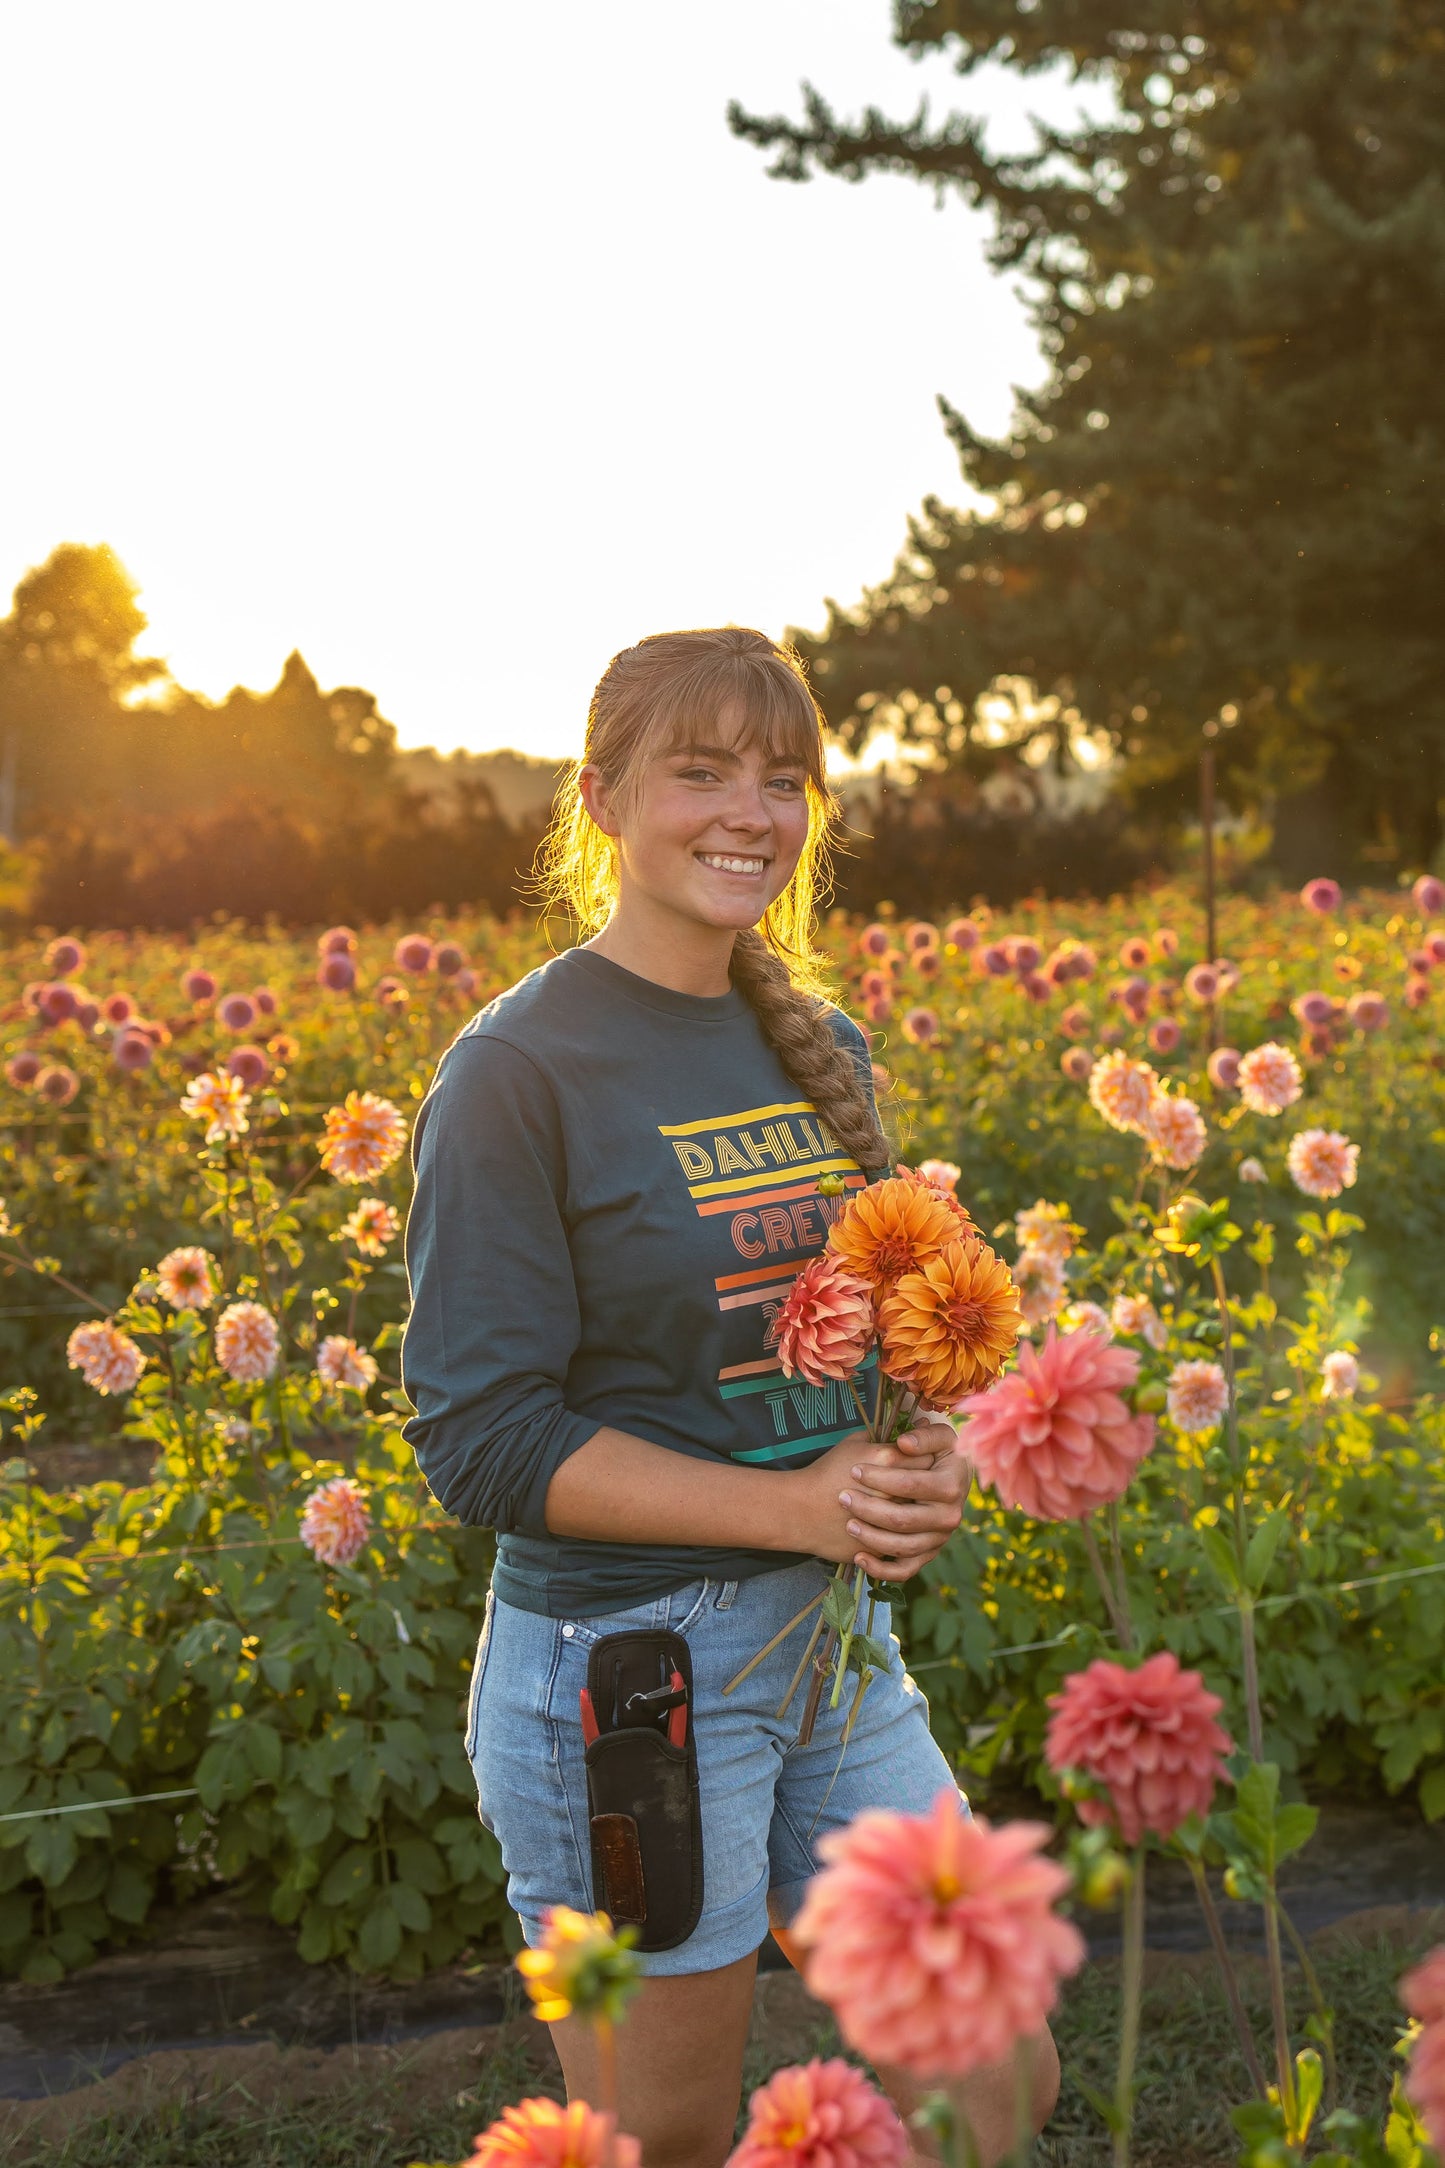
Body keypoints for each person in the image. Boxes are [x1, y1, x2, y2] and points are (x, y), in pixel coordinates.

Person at [400, 627, 1059, 2168]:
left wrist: (917, 1457)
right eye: (698, 771)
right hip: (621, 1681)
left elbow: (849, 1345)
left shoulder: (816, 1043)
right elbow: (480, 1439)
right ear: (603, 798)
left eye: (782, 777)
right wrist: (791, 1506)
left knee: (996, 2070)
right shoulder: (516, 1069)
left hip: (829, 1652)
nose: (747, 811)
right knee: (662, 2139)